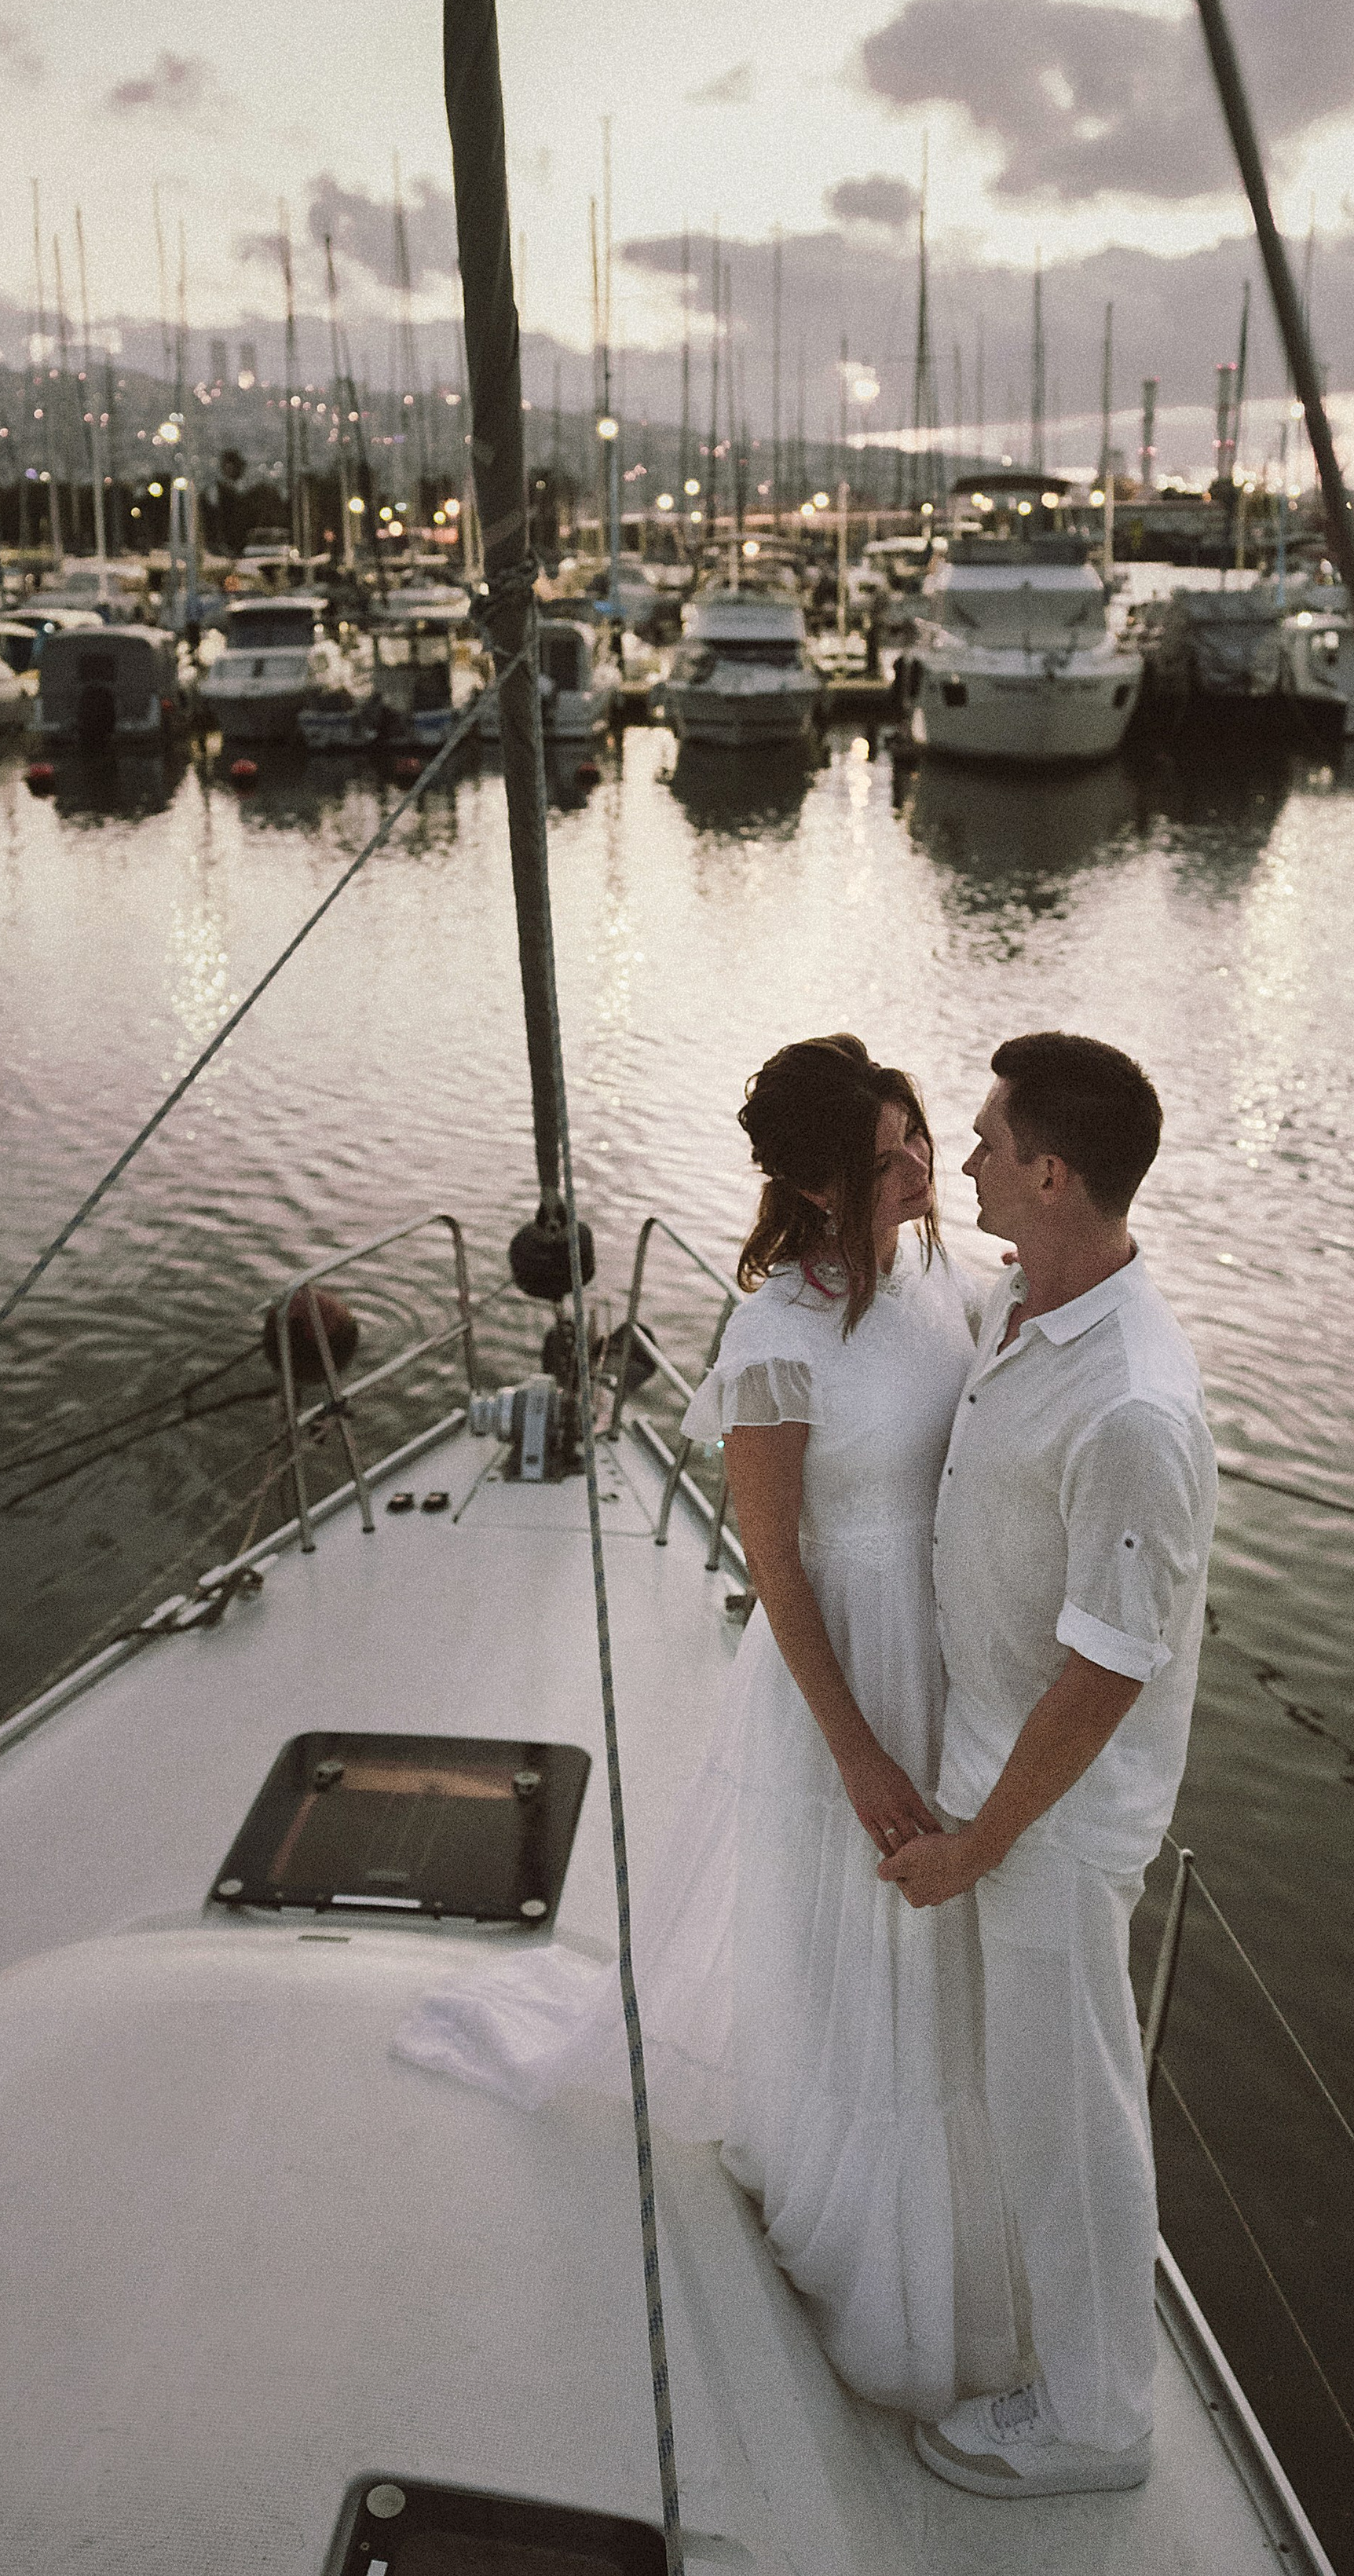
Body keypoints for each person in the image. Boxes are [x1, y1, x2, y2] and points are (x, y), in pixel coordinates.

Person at [393, 1033, 1029, 2415]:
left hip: (946, 1646)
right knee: (852, 1941)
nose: (922, 1164)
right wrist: (858, 1749)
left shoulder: (943, 1278)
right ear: (813, 1184)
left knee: (935, 1950)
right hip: (842, 1667)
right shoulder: (774, 1336)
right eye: (886, 1157)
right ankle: (862, 2227)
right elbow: (776, 1567)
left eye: (920, 1131)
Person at [881, 1030, 1217, 2498]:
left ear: (1053, 1172)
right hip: (988, 1772)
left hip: (1053, 1824)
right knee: (1026, 2095)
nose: (964, 1163)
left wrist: (980, 1842)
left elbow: (1102, 1678)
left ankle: (1095, 2418)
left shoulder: (1133, 1407)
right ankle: (1053, 2346)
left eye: (984, 1143)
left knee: (1074, 2115)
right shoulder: (1028, 1298)